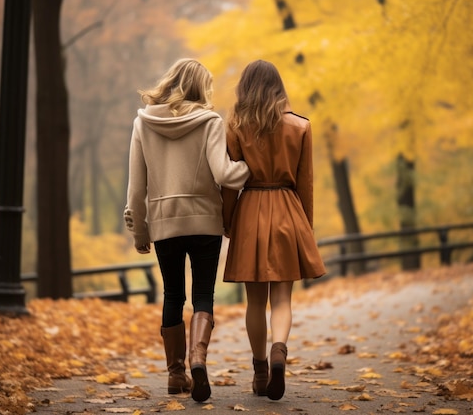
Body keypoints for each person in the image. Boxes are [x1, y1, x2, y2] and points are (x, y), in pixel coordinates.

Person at [124, 58, 250, 402]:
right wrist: (250, 170)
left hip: (165, 223)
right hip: (205, 220)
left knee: (172, 295)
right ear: (200, 87)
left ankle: (176, 374)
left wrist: (140, 233)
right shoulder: (210, 121)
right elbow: (225, 175)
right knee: (203, 295)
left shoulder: (143, 123)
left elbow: (137, 188)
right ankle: (198, 357)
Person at [222, 60, 326, 401]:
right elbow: (306, 183)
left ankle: (261, 369)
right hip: (287, 211)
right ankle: (280, 350)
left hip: (250, 211)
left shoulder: (236, 127)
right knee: (282, 298)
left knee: (255, 302)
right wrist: (304, 230)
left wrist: (227, 220)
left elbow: (229, 184)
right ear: (279, 88)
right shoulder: (300, 127)